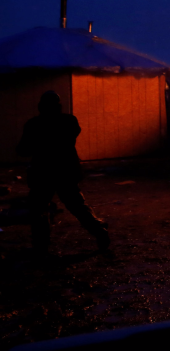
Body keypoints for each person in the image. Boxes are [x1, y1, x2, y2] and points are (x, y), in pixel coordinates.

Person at [16, 90, 110, 255]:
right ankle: (99, 232)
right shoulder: (69, 121)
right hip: (66, 171)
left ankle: (40, 247)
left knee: (39, 210)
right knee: (77, 206)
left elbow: (23, 150)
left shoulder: (33, 124)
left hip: (42, 172)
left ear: (40, 106)